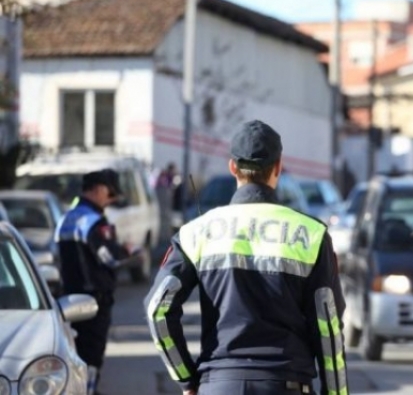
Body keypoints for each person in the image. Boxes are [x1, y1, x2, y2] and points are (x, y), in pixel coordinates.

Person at [144, 120, 348, 395]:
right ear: (278, 167)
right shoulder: (311, 235)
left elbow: (158, 309)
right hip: (287, 385)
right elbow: (328, 324)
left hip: (218, 385)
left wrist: (187, 379)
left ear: (232, 167)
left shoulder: (195, 233)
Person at [54, 169, 140, 395]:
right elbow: (109, 257)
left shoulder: (66, 218)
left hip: (69, 298)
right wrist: (128, 251)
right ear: (100, 190)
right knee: (92, 354)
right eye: (109, 195)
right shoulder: (93, 221)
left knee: (75, 353)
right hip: (94, 300)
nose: (109, 200)